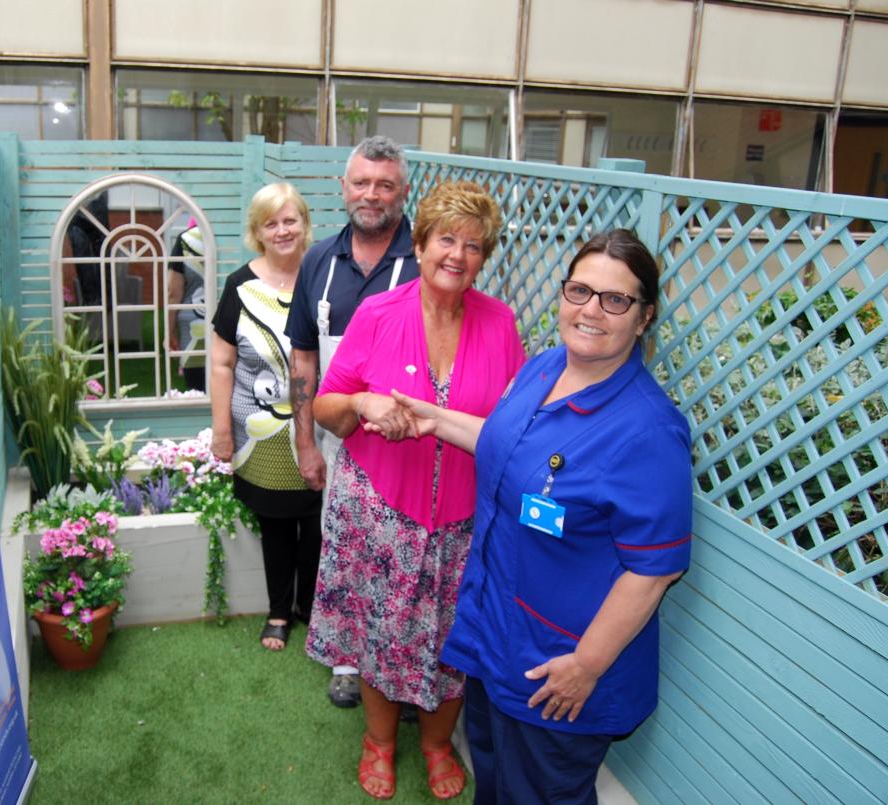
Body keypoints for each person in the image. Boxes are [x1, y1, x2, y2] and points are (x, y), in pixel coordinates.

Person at [390, 228, 692, 804]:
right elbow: (509, 448)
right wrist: (435, 419)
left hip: (559, 671)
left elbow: (652, 571)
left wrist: (587, 664)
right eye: (579, 291)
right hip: (495, 638)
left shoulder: (648, 431)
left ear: (644, 317)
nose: (591, 310)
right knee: (496, 783)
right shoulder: (544, 369)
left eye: (615, 299)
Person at [307, 181, 527, 800]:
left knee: (452, 637)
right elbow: (326, 408)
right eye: (447, 239)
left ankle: (435, 745)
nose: (458, 254)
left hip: (463, 518)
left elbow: (510, 427)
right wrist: (360, 399)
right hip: (379, 509)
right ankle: (379, 741)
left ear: (485, 257)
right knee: (382, 629)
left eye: (475, 245)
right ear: (422, 243)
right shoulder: (377, 312)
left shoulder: (501, 322)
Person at [285, 135, 418, 708]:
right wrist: (305, 442)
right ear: (342, 188)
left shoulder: (424, 259)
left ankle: (400, 668)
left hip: (404, 439)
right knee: (343, 550)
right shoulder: (319, 258)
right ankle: (345, 659)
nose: (371, 195)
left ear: (404, 193)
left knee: (405, 555)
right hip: (336, 434)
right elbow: (304, 357)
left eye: (385, 185)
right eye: (361, 183)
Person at [209, 183, 321, 651]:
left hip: (319, 426)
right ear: (257, 231)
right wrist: (220, 430)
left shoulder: (323, 277)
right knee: (275, 524)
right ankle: (279, 610)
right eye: (271, 223)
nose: (282, 230)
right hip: (261, 432)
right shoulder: (239, 285)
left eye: (290, 220)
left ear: (304, 224)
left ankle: (310, 608)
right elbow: (220, 362)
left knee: (317, 522)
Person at [168, 222, 207, 391]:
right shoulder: (239, 235)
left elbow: (173, 292)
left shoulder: (186, 240)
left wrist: (168, 331)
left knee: (197, 392)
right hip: (233, 326)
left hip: (192, 329)